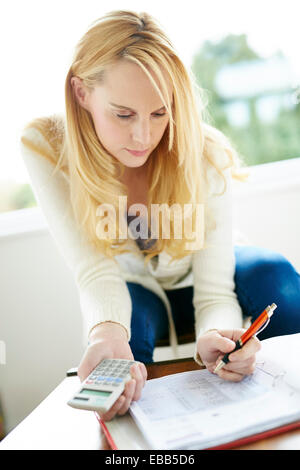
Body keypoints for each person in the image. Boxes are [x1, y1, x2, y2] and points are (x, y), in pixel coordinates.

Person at [20, 10, 300, 422]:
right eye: (123, 114)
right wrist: (106, 332)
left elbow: (215, 290)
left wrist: (215, 336)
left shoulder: (206, 152)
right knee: (127, 334)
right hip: (131, 288)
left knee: (276, 277)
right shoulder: (45, 146)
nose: (144, 137)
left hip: (208, 275)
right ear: (81, 93)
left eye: (159, 112)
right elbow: (95, 272)